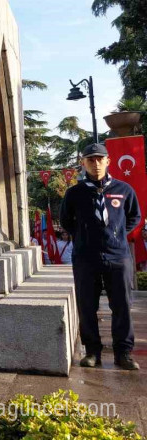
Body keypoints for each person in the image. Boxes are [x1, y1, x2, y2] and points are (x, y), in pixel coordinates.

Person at [60, 143, 140, 370]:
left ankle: (123, 353)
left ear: (108, 161)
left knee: (122, 306)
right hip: (86, 257)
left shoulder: (124, 189)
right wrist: (85, 237)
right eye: (90, 160)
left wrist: (116, 236)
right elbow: (66, 220)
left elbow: (134, 217)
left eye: (99, 159)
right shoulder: (74, 193)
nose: (96, 164)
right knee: (87, 305)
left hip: (118, 257)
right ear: (83, 163)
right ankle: (92, 352)